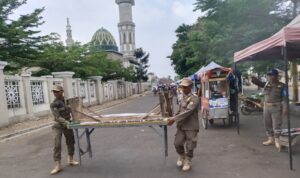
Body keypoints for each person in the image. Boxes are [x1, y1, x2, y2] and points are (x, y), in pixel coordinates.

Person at [167, 78, 199, 171]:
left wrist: (174, 119)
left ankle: (188, 159)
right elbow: (180, 111)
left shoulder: (195, 98)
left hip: (191, 126)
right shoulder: (182, 97)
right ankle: (182, 156)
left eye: (185, 87)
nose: (183, 89)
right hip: (181, 125)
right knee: (177, 143)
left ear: (190, 87)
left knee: (190, 145)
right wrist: (172, 116)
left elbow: (188, 111)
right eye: (182, 87)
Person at [251, 69, 287, 149]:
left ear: (276, 76)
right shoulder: (266, 84)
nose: (270, 77)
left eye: (271, 75)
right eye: (269, 75)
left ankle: (277, 140)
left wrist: (285, 108)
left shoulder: (282, 86)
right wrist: (253, 79)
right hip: (266, 107)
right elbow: (259, 83)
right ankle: (270, 139)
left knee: (276, 124)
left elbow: (285, 98)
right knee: (267, 124)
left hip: (276, 107)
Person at [50, 85, 79, 175]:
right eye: (54, 91)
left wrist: (75, 118)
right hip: (58, 125)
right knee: (57, 144)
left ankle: (70, 159)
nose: (55, 93)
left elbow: (73, 110)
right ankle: (57, 165)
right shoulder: (54, 104)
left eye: (57, 91)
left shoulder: (67, 101)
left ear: (62, 91)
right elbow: (57, 117)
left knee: (70, 141)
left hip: (68, 124)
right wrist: (67, 122)